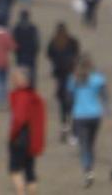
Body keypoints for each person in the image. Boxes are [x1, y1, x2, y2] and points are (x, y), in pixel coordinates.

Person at [7, 67, 46, 195]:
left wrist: (12, 135)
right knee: (30, 174)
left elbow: (19, 119)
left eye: (16, 77)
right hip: (32, 139)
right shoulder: (34, 96)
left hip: (20, 138)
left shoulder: (22, 96)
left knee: (15, 171)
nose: (13, 80)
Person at [70, 55, 108, 185]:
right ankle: (90, 165)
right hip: (95, 115)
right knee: (91, 143)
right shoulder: (97, 78)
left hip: (80, 115)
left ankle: (88, 170)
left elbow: (69, 97)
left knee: (84, 145)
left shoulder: (74, 79)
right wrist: (105, 107)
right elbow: (104, 95)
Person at [45, 23, 80, 136]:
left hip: (59, 74)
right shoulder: (72, 41)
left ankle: (64, 124)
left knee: (62, 103)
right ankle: (71, 125)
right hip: (70, 73)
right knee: (72, 100)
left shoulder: (54, 42)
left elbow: (48, 54)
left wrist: (56, 61)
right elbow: (77, 54)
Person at [12, 8, 40, 85]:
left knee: (21, 76)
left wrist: (16, 51)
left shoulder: (16, 28)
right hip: (30, 56)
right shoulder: (33, 28)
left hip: (20, 56)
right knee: (31, 76)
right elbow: (37, 42)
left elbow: (13, 42)